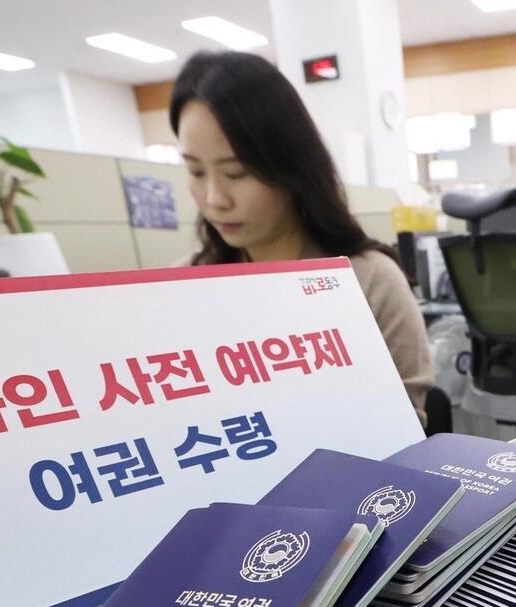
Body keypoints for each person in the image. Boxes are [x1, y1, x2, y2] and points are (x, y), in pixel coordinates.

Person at [170, 51, 434, 426]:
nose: (214, 199)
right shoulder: (181, 286)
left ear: (289, 165)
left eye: (237, 173)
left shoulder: (369, 281)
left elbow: (405, 425)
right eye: (196, 171)